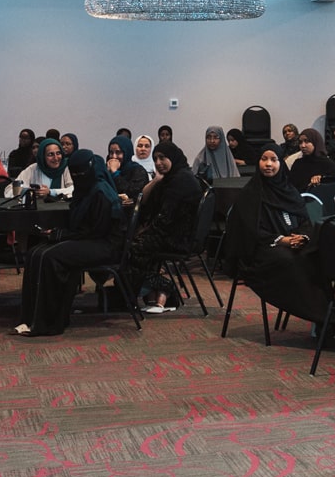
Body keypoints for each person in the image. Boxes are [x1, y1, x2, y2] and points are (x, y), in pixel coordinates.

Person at [227, 143, 335, 336]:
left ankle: (331, 316)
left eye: (274, 160)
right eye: (264, 159)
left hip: (293, 245)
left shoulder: (289, 191)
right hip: (260, 252)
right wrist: (283, 240)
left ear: (281, 163)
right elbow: (252, 232)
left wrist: (303, 237)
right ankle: (323, 317)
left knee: (317, 256)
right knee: (291, 261)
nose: (268, 164)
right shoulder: (250, 195)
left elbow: (304, 221)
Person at [12, 150, 126, 337]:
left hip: (104, 245)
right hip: (89, 239)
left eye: (80, 173)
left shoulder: (100, 192)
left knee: (50, 256)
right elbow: (82, 227)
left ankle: (50, 322)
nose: (77, 177)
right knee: (35, 253)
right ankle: (30, 318)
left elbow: (94, 231)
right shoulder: (86, 188)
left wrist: (61, 235)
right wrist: (58, 234)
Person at [131, 141, 201, 313]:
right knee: (134, 244)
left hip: (177, 238)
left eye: (163, 158)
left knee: (130, 249)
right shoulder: (172, 178)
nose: (158, 162)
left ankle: (167, 288)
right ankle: (155, 295)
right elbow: (145, 201)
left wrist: (143, 233)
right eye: (155, 159)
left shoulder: (180, 181)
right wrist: (156, 180)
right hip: (173, 233)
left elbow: (165, 218)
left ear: (173, 157)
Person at [6, 138, 73, 198]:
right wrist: (28, 192)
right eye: (50, 154)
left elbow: (75, 189)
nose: (56, 158)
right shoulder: (33, 169)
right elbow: (9, 190)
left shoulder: (66, 168)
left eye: (58, 153)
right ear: (42, 156)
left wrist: (51, 192)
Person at [288, 128, 335, 192]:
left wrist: (323, 178)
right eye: (300, 142)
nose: (303, 145)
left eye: (307, 141)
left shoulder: (328, 164)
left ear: (316, 142)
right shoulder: (298, 164)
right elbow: (291, 187)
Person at [105, 134, 150, 203]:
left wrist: (115, 173)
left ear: (127, 152)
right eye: (111, 153)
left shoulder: (137, 170)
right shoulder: (107, 168)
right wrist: (106, 173)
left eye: (118, 152)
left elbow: (131, 193)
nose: (114, 157)